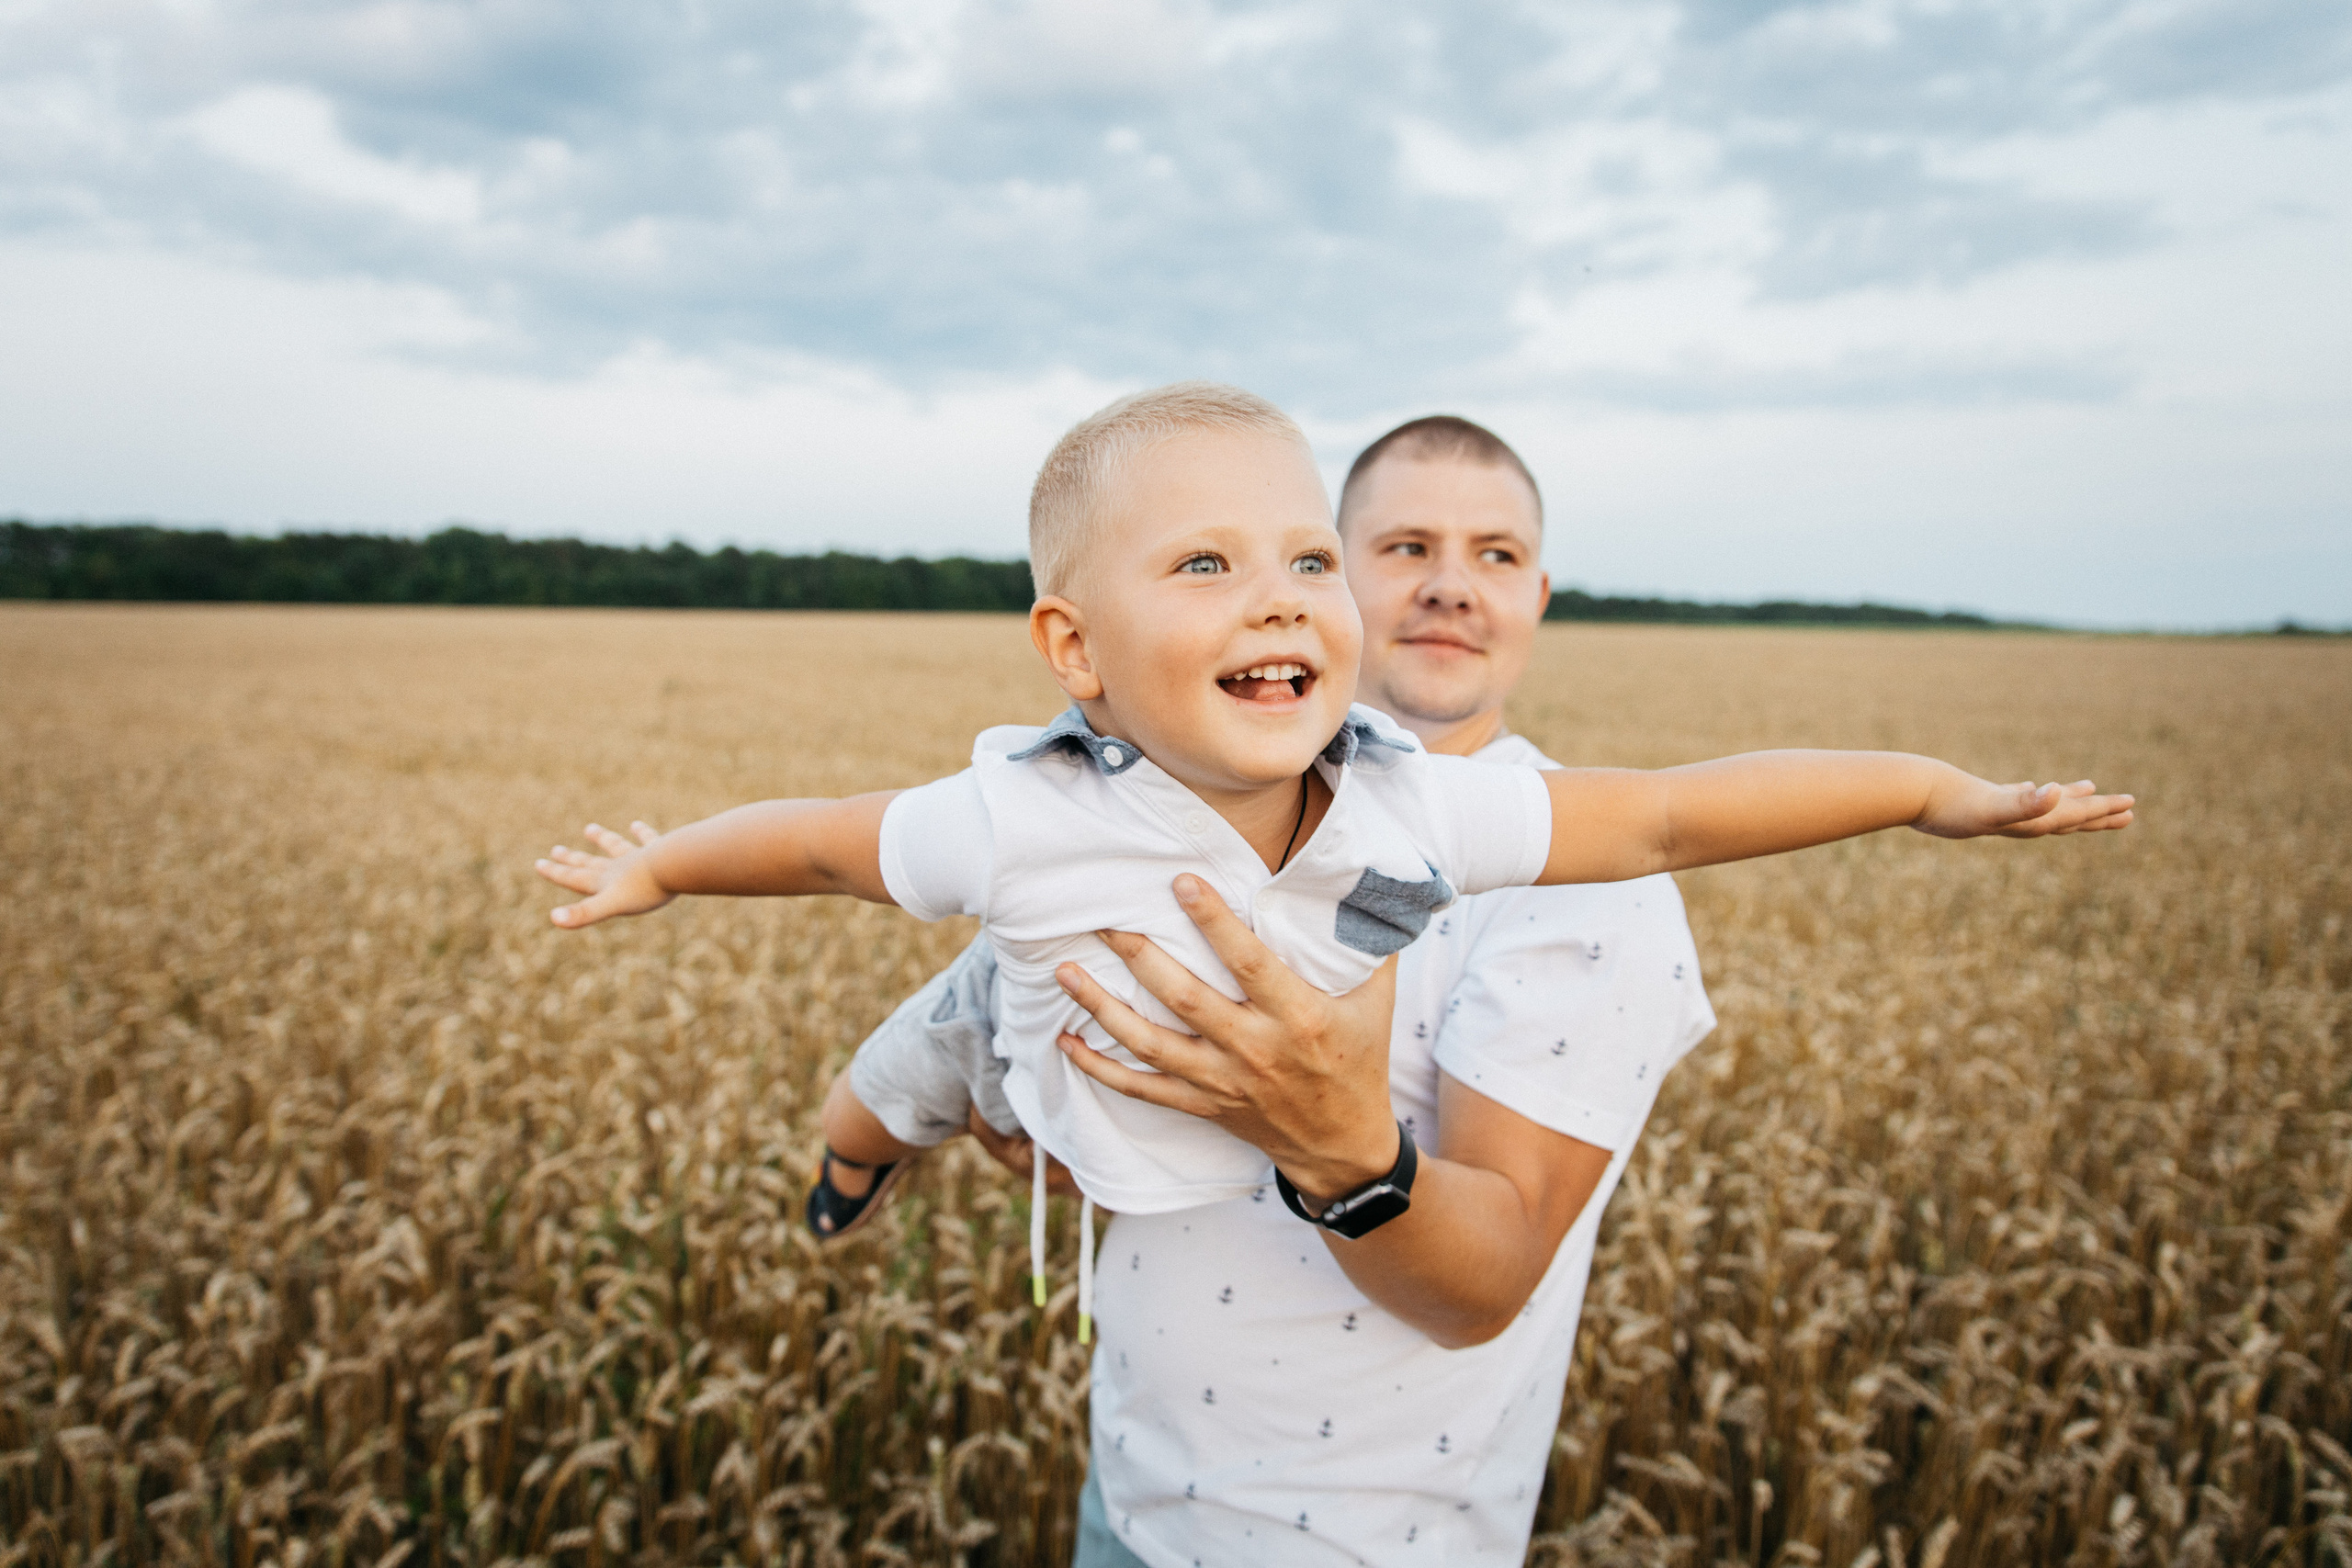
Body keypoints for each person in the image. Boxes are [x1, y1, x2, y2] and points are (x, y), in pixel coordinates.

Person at [532, 386, 2132, 1561]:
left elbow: (1667, 814)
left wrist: (1927, 790)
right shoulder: (1026, 809)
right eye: (1383, 549)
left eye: (1304, 556)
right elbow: (819, 845)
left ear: (1532, 597)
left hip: (1367, 1538)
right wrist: (661, 865)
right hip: (1137, 1487)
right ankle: (852, 1152)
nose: (1306, 588)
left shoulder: (1430, 816)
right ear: (1080, 651)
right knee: (931, 1048)